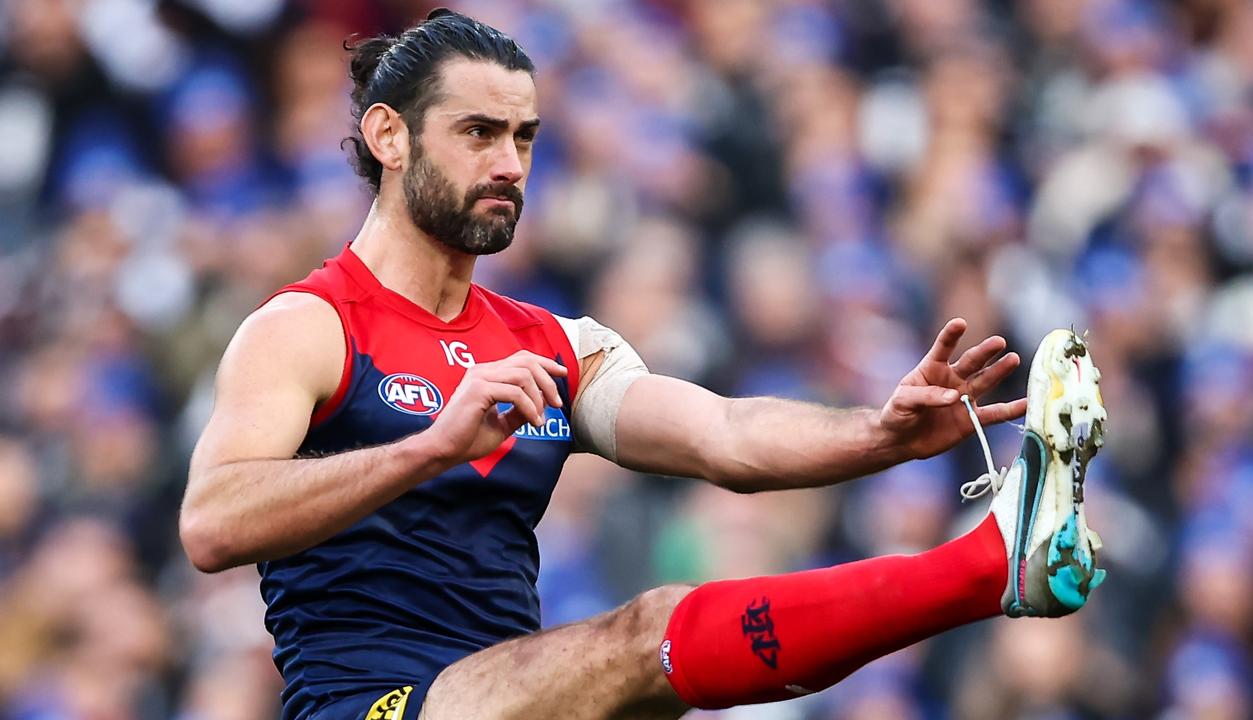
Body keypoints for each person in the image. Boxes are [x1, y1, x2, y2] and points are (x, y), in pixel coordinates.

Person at [179, 9, 1108, 720]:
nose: (510, 163)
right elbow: (210, 525)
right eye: (478, 134)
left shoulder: (555, 343)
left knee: (657, 671)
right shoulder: (306, 325)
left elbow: (727, 436)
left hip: (513, 692)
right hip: (374, 705)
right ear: (390, 137)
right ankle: (990, 568)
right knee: (646, 634)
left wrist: (881, 435)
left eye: (525, 137)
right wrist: (426, 449)